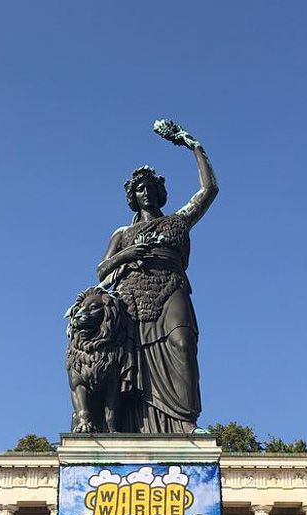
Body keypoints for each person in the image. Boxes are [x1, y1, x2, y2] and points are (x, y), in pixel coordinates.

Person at [93, 123, 218, 433]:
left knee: (182, 343)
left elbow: (208, 190)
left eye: (150, 187)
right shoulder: (122, 233)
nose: (146, 192)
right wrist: (129, 254)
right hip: (132, 295)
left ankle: (185, 423)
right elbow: (102, 270)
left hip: (171, 287)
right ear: (133, 197)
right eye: (139, 189)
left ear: (160, 191)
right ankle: (129, 426)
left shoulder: (179, 220)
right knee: (131, 361)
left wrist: (193, 145)